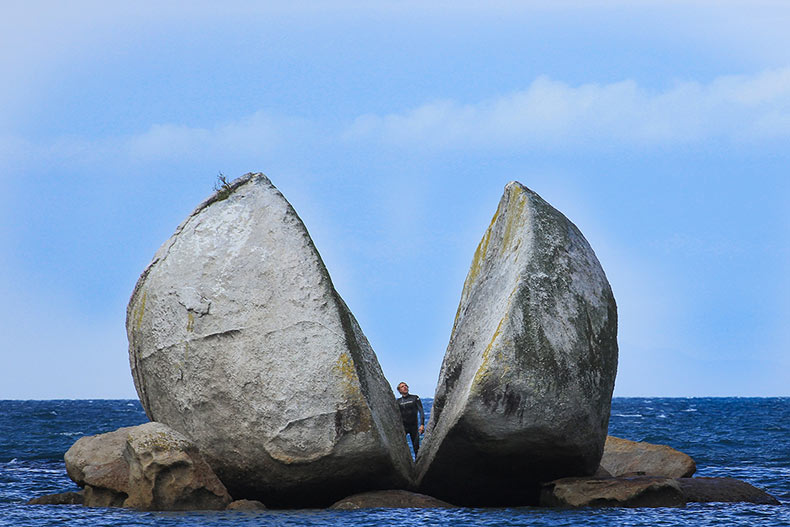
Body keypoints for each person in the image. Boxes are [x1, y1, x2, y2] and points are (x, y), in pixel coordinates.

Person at [396, 381, 424, 456]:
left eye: (406, 386)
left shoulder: (415, 398)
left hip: (413, 427)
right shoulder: (398, 402)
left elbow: (421, 411)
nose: (405, 387)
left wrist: (422, 424)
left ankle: (418, 466)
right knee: (400, 448)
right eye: (402, 386)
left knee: (416, 448)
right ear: (399, 390)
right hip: (403, 427)